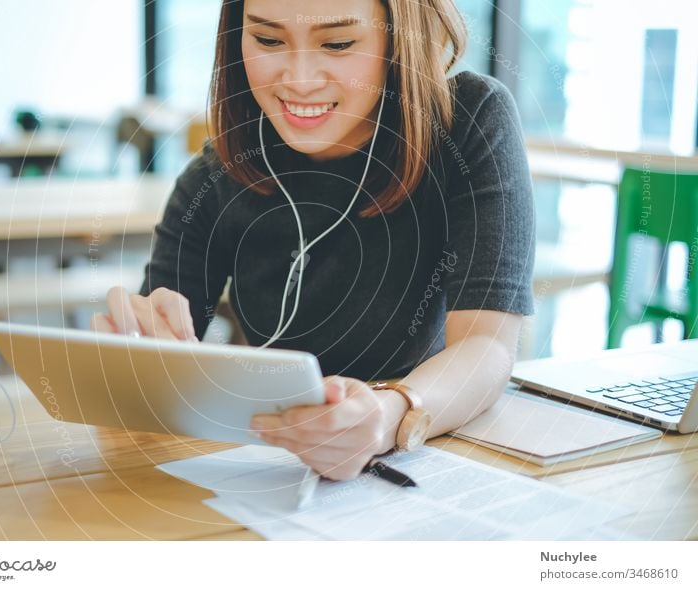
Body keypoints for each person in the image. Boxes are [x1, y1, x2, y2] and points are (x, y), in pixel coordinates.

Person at [93, 0, 535, 481]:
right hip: (271, 470)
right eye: (267, 40)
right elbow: (157, 377)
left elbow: (488, 348)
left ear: (398, 37)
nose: (299, 80)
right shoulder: (216, 174)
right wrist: (133, 359)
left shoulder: (465, 119)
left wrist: (389, 415)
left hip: (432, 457)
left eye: (338, 43)